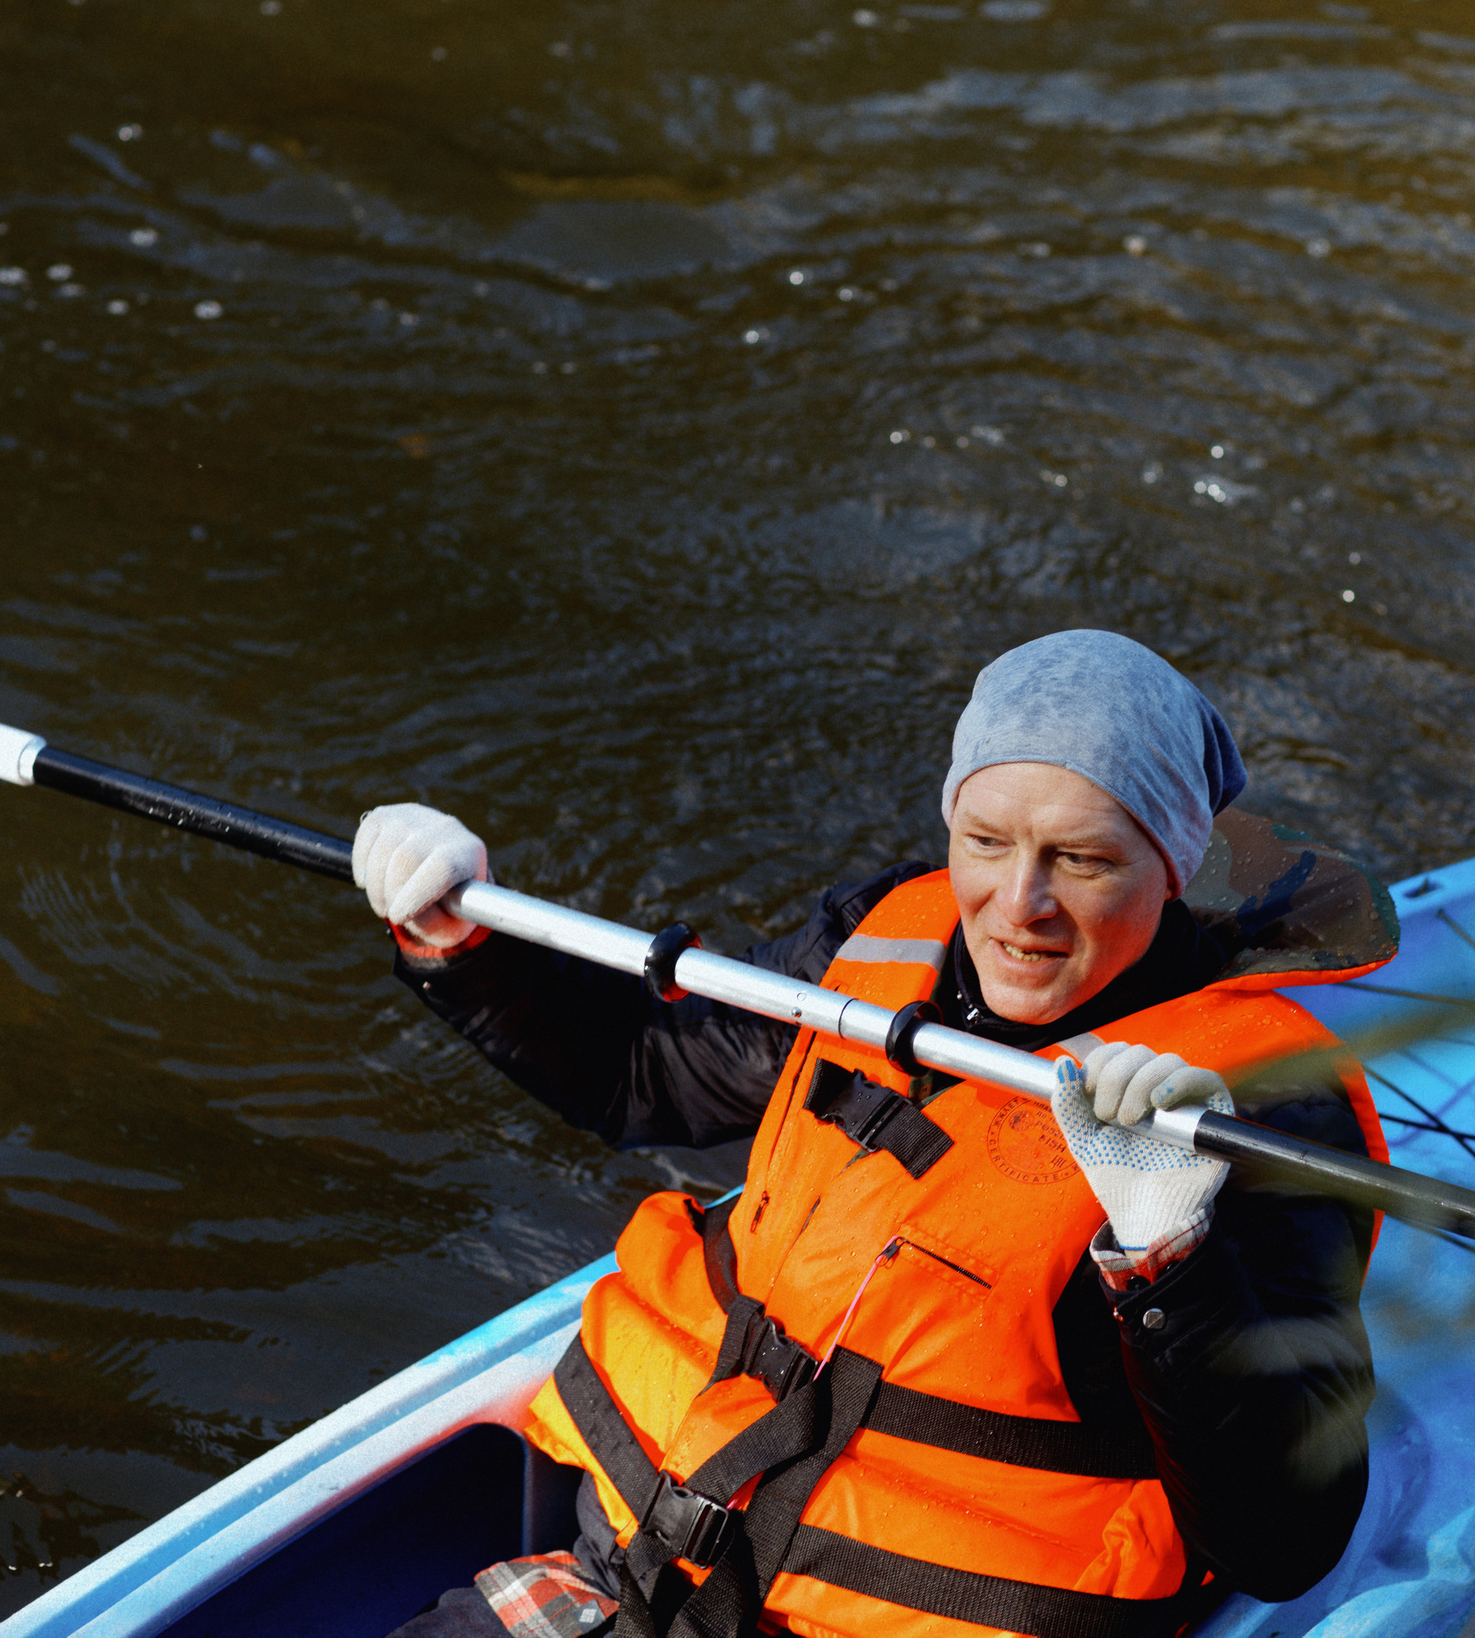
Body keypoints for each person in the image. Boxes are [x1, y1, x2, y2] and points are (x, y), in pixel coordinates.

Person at [357, 632, 1400, 1638]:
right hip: (630, 1576)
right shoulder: (880, 933)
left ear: (1171, 865)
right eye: (985, 842)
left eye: (1081, 860)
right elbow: (651, 1070)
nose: (1019, 904)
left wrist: (1175, 1259)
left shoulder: (1263, 1103)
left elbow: (1285, 1538)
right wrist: (464, 945)